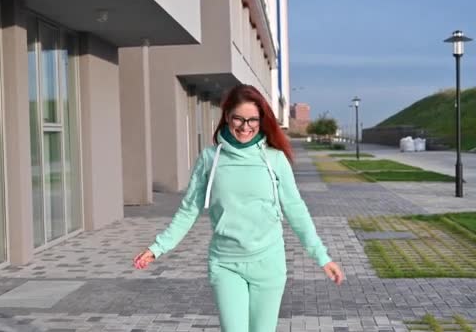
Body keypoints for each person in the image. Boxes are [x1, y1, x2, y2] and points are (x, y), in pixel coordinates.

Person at [133, 84, 344, 332]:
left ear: (261, 120)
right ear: (226, 117)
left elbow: (296, 210)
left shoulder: (275, 159)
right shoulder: (210, 159)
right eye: (239, 119)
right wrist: (157, 247)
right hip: (225, 264)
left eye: (253, 120)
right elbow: (188, 210)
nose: (245, 127)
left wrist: (322, 257)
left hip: (269, 264)